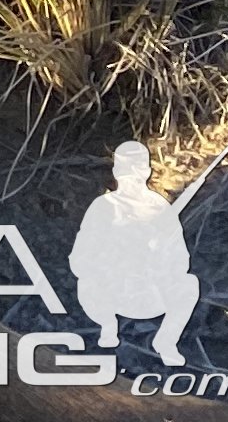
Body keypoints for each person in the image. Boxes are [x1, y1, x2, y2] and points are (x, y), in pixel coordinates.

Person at [70, 139, 203, 364]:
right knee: (87, 284)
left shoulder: (160, 208)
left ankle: (166, 341)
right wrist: (114, 257)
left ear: (147, 171)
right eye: (126, 171)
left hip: (150, 295)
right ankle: (108, 326)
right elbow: (79, 260)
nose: (131, 178)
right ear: (117, 172)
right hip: (111, 295)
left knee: (189, 285)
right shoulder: (102, 207)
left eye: (137, 170)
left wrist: (157, 257)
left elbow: (181, 261)